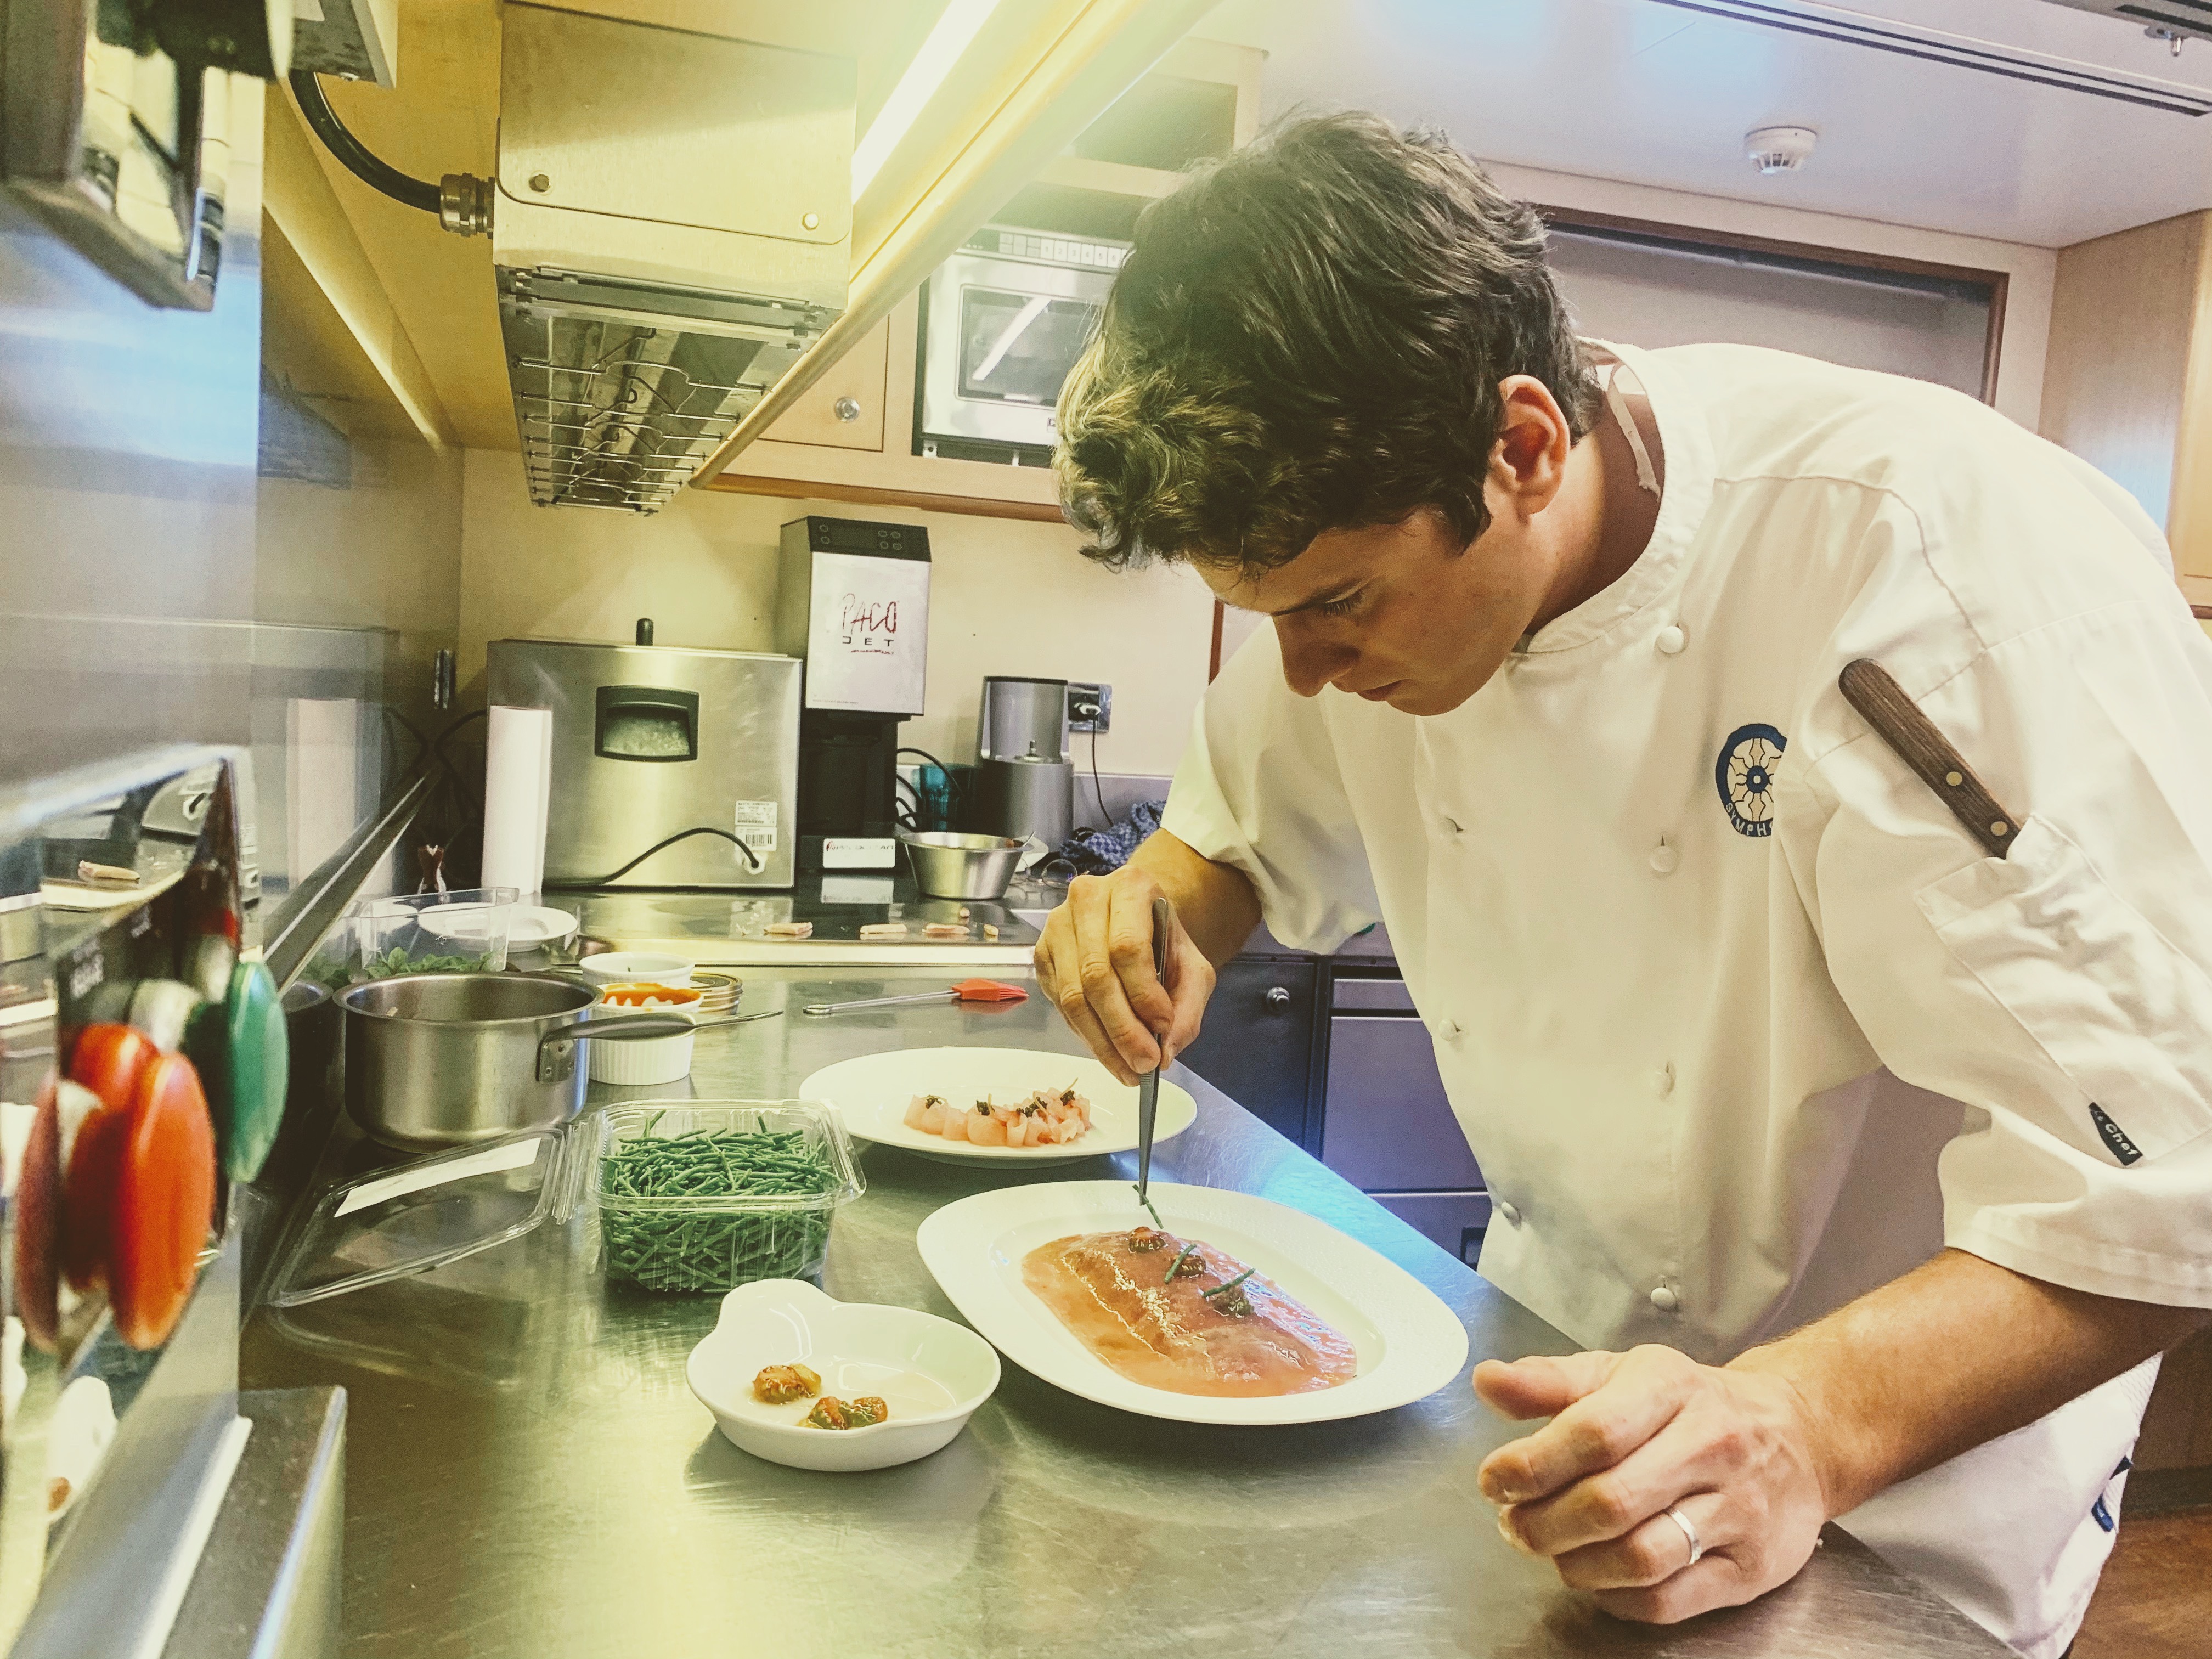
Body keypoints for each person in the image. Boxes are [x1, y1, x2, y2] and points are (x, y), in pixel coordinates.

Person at [1033, 111, 2212, 1658]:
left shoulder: (1940, 565)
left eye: (1337, 605)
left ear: (1523, 449)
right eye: (1269, 618)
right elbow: (1232, 836)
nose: (1303, 670)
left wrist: (1803, 1426)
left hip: (1894, 1484)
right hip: (1554, 1395)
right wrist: (1152, 908)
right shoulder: (1375, 570)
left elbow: (2166, 1185)